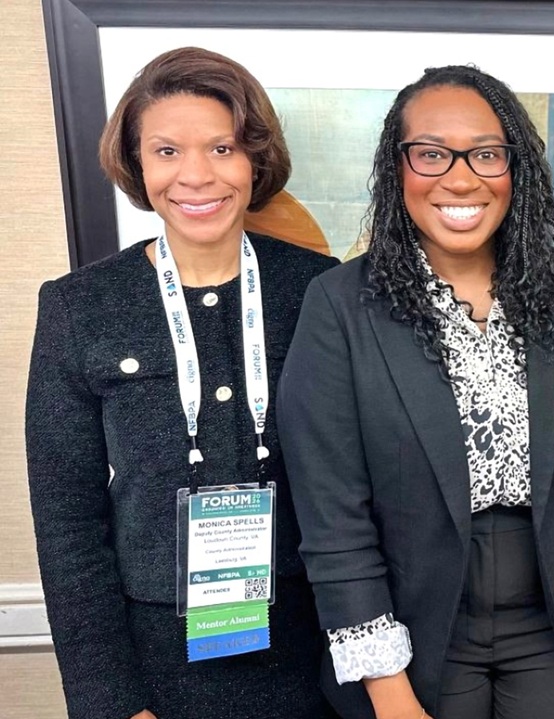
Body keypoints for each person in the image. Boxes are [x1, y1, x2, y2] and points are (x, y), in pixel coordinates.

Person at [277, 65, 554, 719]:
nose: (460, 176)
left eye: (485, 152)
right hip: (413, 634)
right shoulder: (340, 305)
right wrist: (390, 694)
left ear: (517, 167)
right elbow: (333, 521)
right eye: (430, 153)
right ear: (398, 169)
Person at [25, 47, 339, 719]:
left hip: (315, 652)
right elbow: (66, 520)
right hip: (155, 662)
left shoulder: (318, 290)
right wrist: (110, 700)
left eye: (222, 147)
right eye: (167, 151)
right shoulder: (80, 306)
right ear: (137, 164)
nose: (196, 175)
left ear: (255, 158)